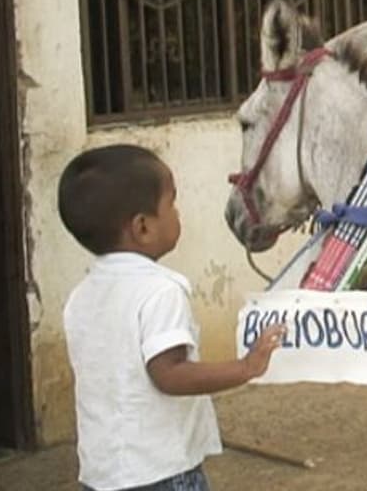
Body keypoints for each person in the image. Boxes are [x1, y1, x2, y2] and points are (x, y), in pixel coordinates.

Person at [59, 144, 285, 491]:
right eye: (172, 203)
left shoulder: (81, 296)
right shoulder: (160, 290)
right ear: (143, 227)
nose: (178, 213)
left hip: (102, 474)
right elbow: (169, 374)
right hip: (160, 473)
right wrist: (246, 366)